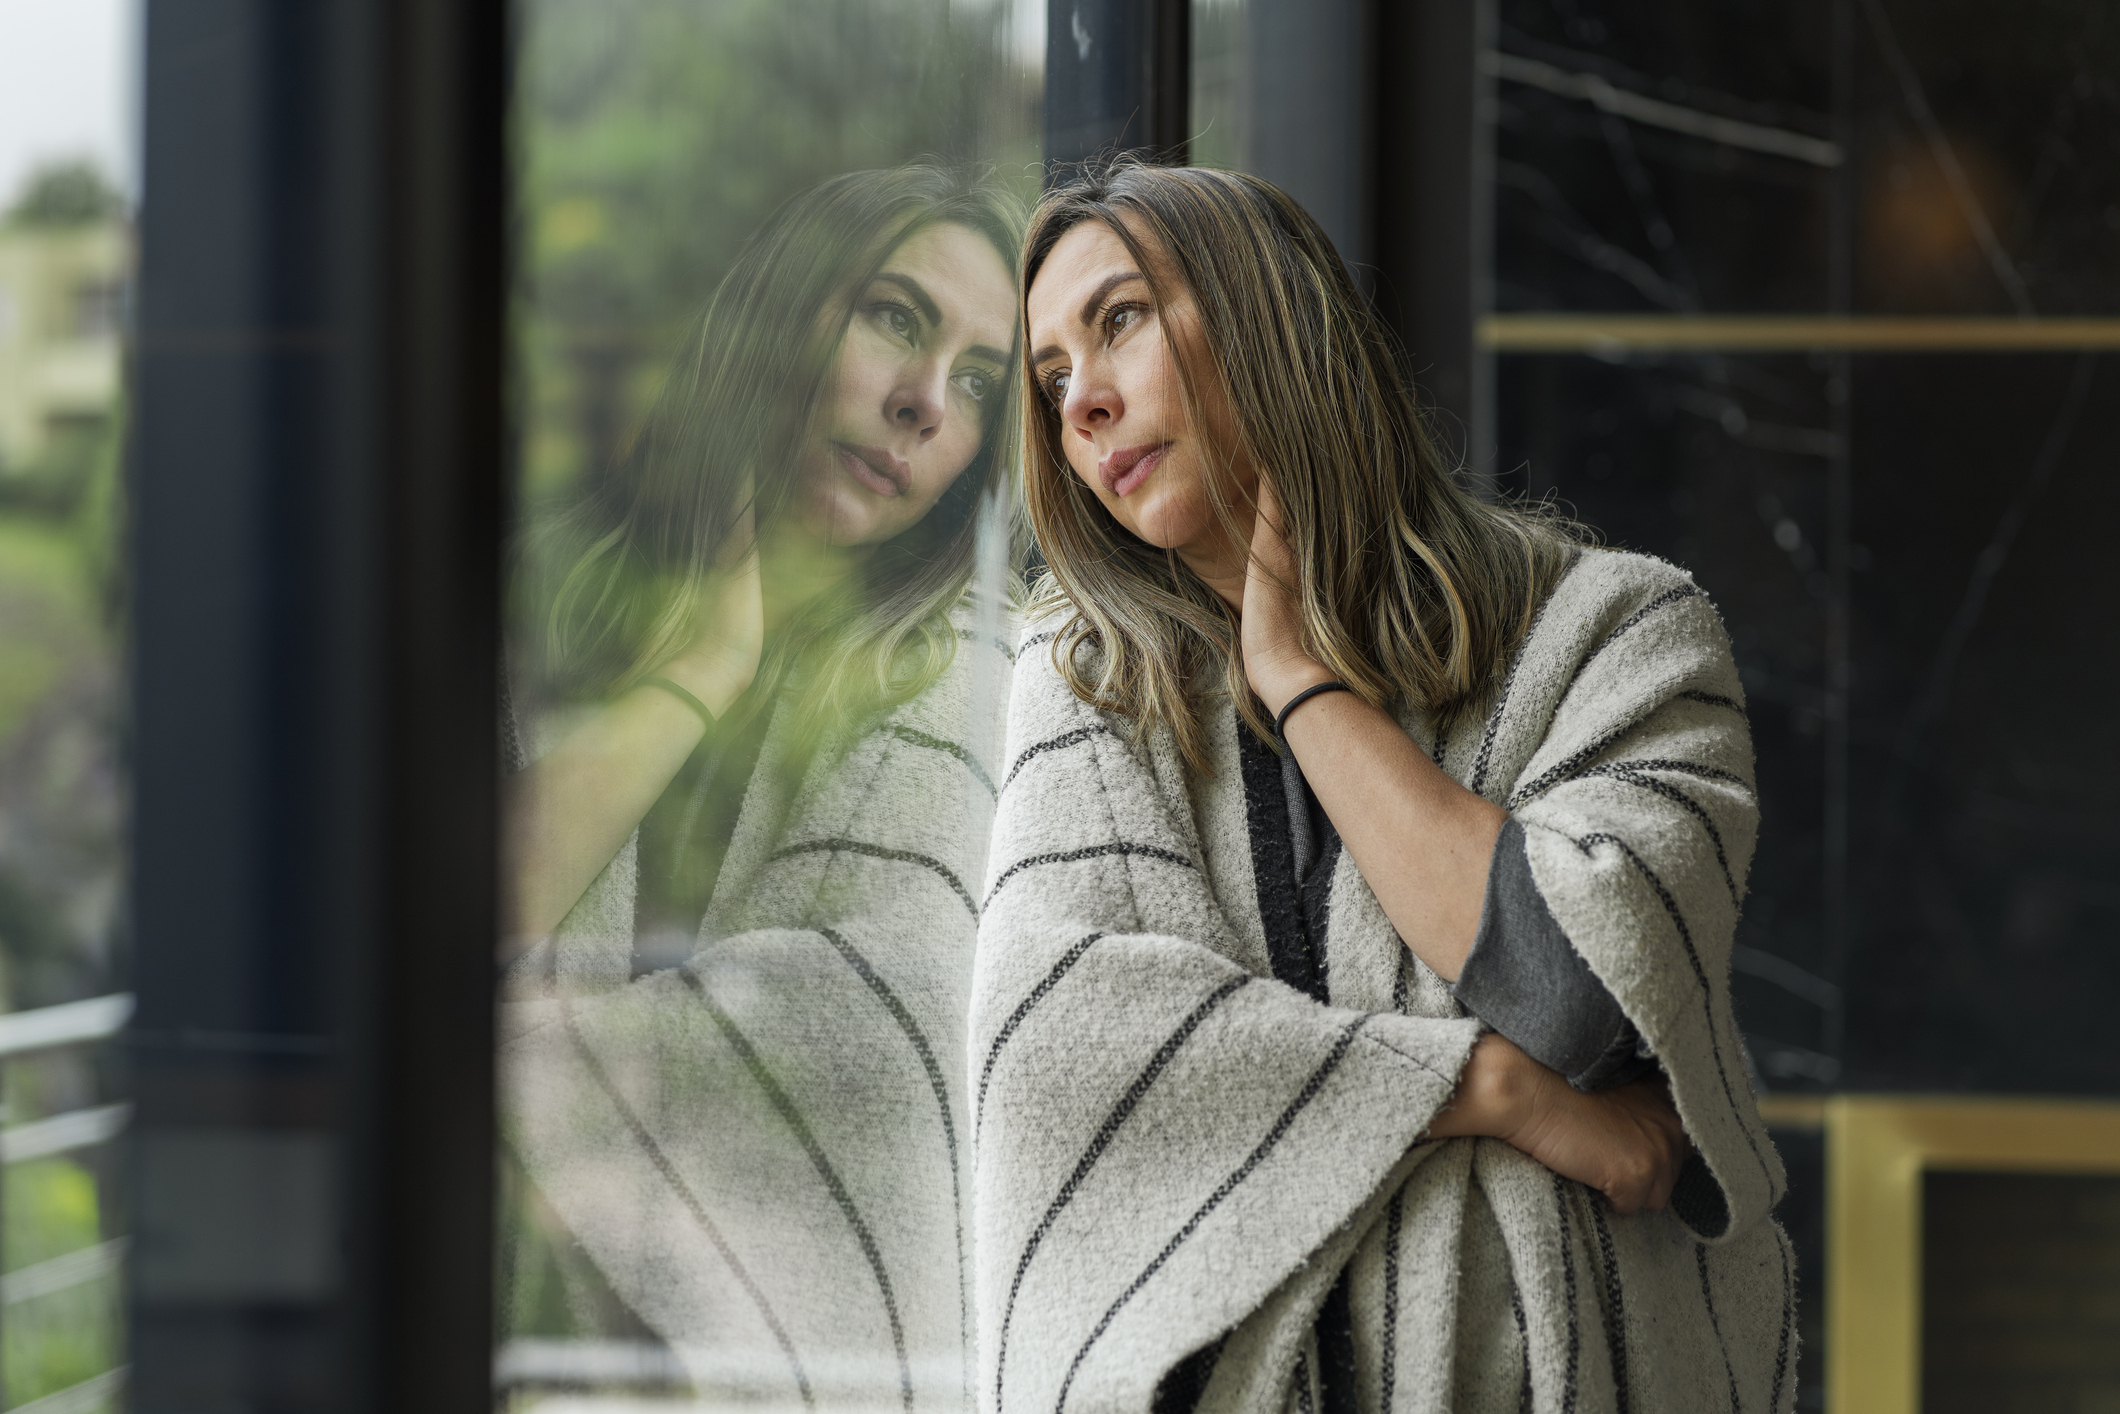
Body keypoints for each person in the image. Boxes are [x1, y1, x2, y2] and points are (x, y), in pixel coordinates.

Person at [973, 158, 1792, 1413]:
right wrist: (1498, 1092)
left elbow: (1572, 986)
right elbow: (1068, 1060)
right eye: (1051, 377)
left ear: (1261, 308)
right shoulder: (1088, 681)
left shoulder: (1621, 634)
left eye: (1119, 319)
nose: (1079, 400)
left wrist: (1297, 680)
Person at [500, 163, 1023, 1410]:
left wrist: (501, 1062)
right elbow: (458, 911)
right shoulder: (546, 596)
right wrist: (700, 662)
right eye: (895, 318)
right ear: (783, 311)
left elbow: (868, 1048)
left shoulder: (972, 697)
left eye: (976, 385)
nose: (919, 405)